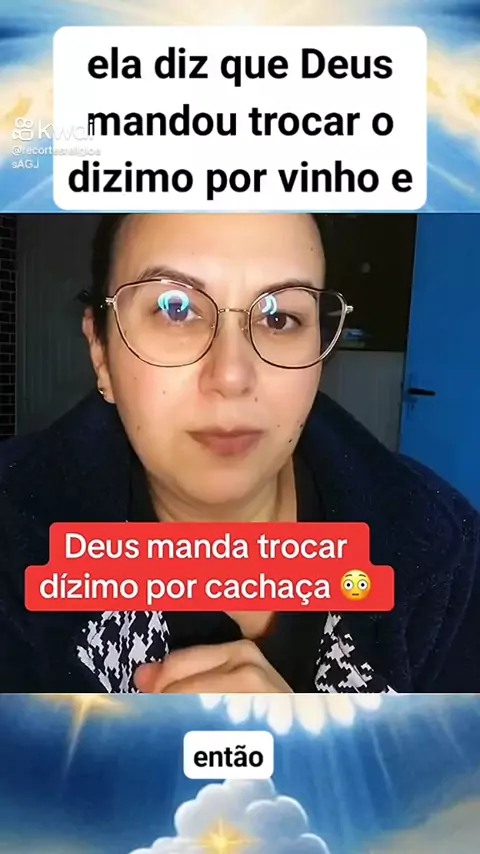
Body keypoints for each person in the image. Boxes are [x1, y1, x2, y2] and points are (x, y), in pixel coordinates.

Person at [0, 212, 479, 695]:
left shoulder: (443, 556)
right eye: (174, 308)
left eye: (279, 318)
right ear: (101, 352)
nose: (231, 376)